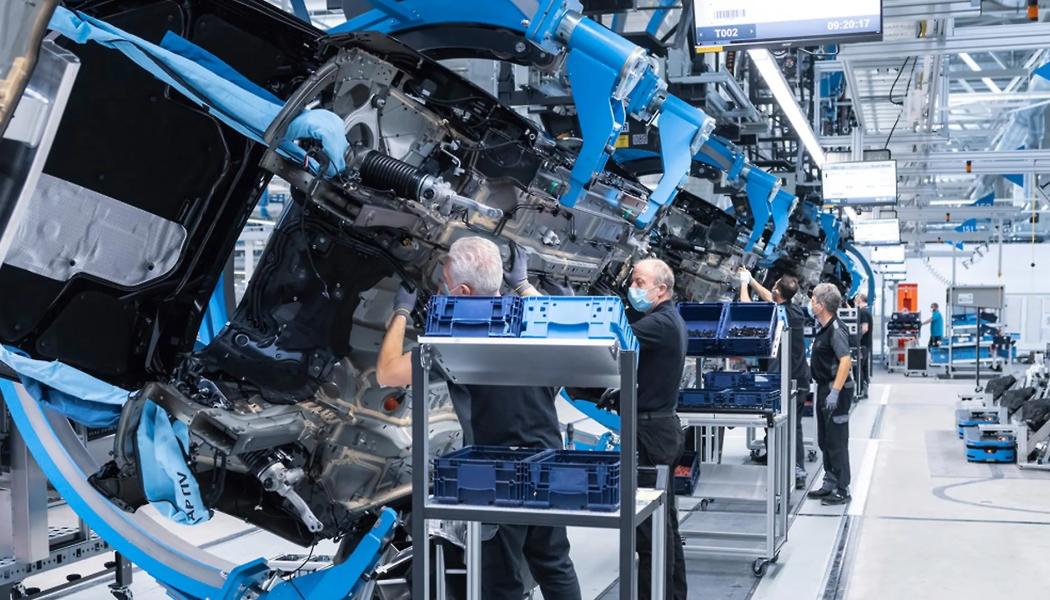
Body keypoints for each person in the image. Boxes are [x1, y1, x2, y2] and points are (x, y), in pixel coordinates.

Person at [376, 236, 581, 600]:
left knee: (500, 583)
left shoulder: (456, 336)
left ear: (465, 290)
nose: (440, 293)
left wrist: (402, 311)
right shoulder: (528, 318)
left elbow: (388, 373)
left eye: (444, 285)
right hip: (549, 457)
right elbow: (556, 322)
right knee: (554, 563)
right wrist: (521, 284)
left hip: (499, 474)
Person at [624, 258, 688, 600]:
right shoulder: (668, 319)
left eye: (639, 281)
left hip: (651, 434)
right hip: (661, 428)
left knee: (650, 532)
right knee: (666, 524)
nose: (633, 287)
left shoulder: (659, 324)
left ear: (661, 289)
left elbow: (614, 335)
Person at [739, 269, 812, 490]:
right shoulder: (794, 310)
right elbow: (770, 299)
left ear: (778, 290)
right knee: (785, 423)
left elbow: (746, 307)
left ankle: (796, 469)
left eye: (775, 284)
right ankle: (779, 458)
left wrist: (743, 285)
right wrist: (751, 280)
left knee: (791, 426)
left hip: (789, 381)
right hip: (798, 376)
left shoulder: (776, 313)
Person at [806, 283, 854, 506]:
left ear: (822, 305)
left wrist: (835, 391)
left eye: (814, 300)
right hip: (825, 387)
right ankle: (829, 481)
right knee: (825, 439)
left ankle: (842, 489)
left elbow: (846, 360)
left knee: (837, 441)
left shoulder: (836, 329)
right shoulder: (824, 328)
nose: (811, 303)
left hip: (837, 390)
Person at [855, 293, 873, 400]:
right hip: (867, 345)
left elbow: (865, 328)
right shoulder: (866, 311)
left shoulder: (862, 312)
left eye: (857, 298)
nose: (855, 300)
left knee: (859, 368)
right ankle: (864, 390)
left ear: (861, 299)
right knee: (864, 368)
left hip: (863, 345)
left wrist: (855, 339)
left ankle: (860, 391)